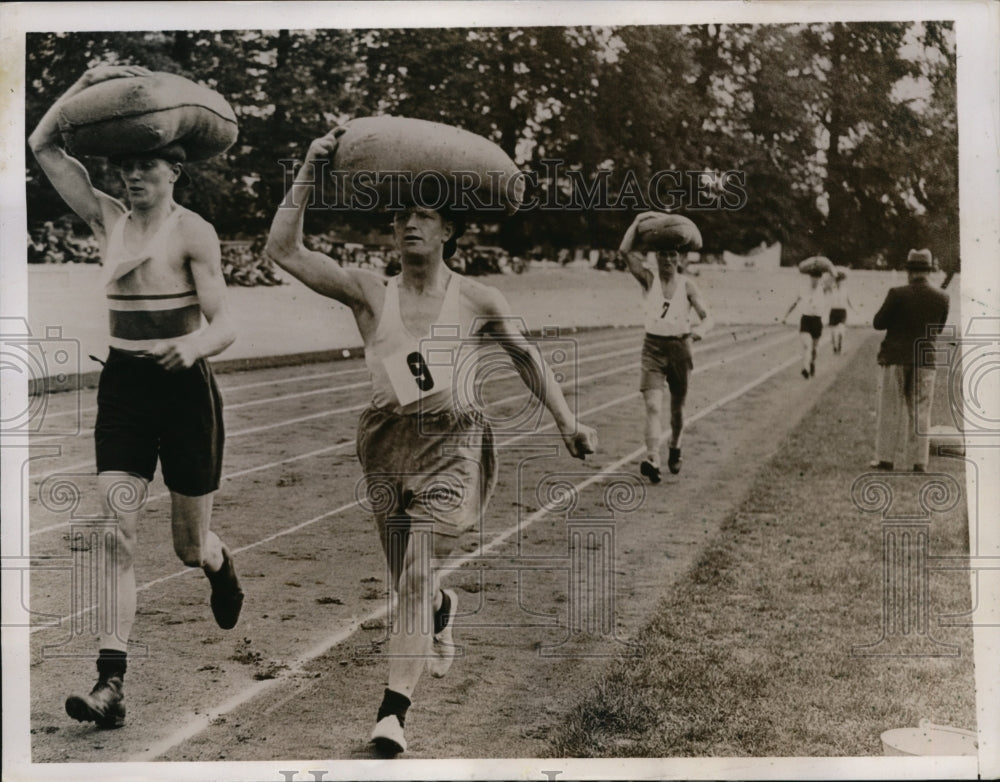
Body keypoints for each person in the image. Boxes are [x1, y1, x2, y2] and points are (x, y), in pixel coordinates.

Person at [265, 129, 598, 756]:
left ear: (449, 230)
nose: (408, 225)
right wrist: (310, 163)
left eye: (423, 215)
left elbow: (527, 360)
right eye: (401, 216)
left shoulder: (478, 298)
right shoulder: (369, 291)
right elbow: (283, 249)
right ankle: (442, 608)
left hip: (455, 446)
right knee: (410, 581)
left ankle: (394, 712)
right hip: (387, 444)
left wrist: (567, 421)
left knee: (417, 566)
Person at [29, 64, 244, 729]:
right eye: (123, 165)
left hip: (185, 393)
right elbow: (43, 147)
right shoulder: (107, 220)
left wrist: (194, 347)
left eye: (145, 165)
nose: (130, 176)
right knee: (114, 531)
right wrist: (80, 86)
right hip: (124, 387)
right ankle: (110, 682)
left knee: (186, 545)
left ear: (174, 169)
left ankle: (218, 561)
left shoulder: (193, 233)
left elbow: (228, 324)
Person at [619, 212, 713, 482]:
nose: (667, 260)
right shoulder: (648, 280)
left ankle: (675, 447)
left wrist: (699, 332)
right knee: (652, 406)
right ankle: (653, 458)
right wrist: (636, 222)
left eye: (672, 255)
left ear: (680, 258)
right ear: (655, 258)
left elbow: (708, 316)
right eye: (662, 255)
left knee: (677, 409)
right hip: (653, 348)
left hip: (681, 348)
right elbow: (625, 251)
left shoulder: (687, 285)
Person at [869, 249, 950, 472]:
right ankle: (919, 461)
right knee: (921, 412)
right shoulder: (942, 298)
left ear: (910, 271)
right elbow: (939, 328)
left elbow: (878, 322)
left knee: (890, 408)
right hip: (926, 358)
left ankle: (885, 458)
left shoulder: (897, 293)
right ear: (928, 271)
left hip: (896, 356)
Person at [782, 269, 829, 378]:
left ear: (820, 279)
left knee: (814, 349)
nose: (815, 280)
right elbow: (794, 303)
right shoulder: (803, 290)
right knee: (807, 345)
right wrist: (785, 316)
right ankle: (806, 368)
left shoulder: (823, 289)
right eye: (813, 278)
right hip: (806, 320)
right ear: (810, 278)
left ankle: (812, 363)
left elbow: (833, 279)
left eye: (817, 278)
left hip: (817, 320)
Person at [828, 268, 857, 355]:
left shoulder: (845, 290)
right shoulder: (832, 289)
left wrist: (854, 310)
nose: (839, 283)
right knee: (833, 332)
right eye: (837, 281)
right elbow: (826, 284)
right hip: (833, 311)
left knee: (841, 330)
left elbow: (849, 301)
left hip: (842, 311)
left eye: (840, 281)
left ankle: (840, 346)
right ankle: (834, 347)